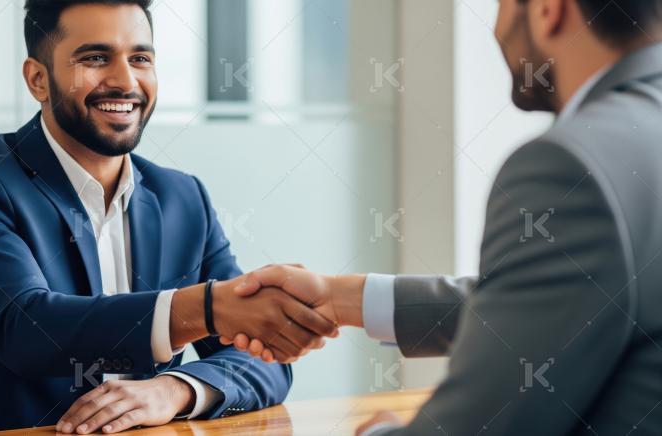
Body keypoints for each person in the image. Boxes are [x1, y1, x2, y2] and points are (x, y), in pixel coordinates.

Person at [224, 0, 662, 434]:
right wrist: (344, 299)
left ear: (549, 10)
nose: (495, 31)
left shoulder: (571, 165)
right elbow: (570, 301)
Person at [0, 1, 337, 434]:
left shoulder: (182, 197)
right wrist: (207, 308)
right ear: (38, 79)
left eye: (140, 59)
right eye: (95, 58)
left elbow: (260, 358)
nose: (124, 80)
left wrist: (176, 389)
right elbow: (25, 329)